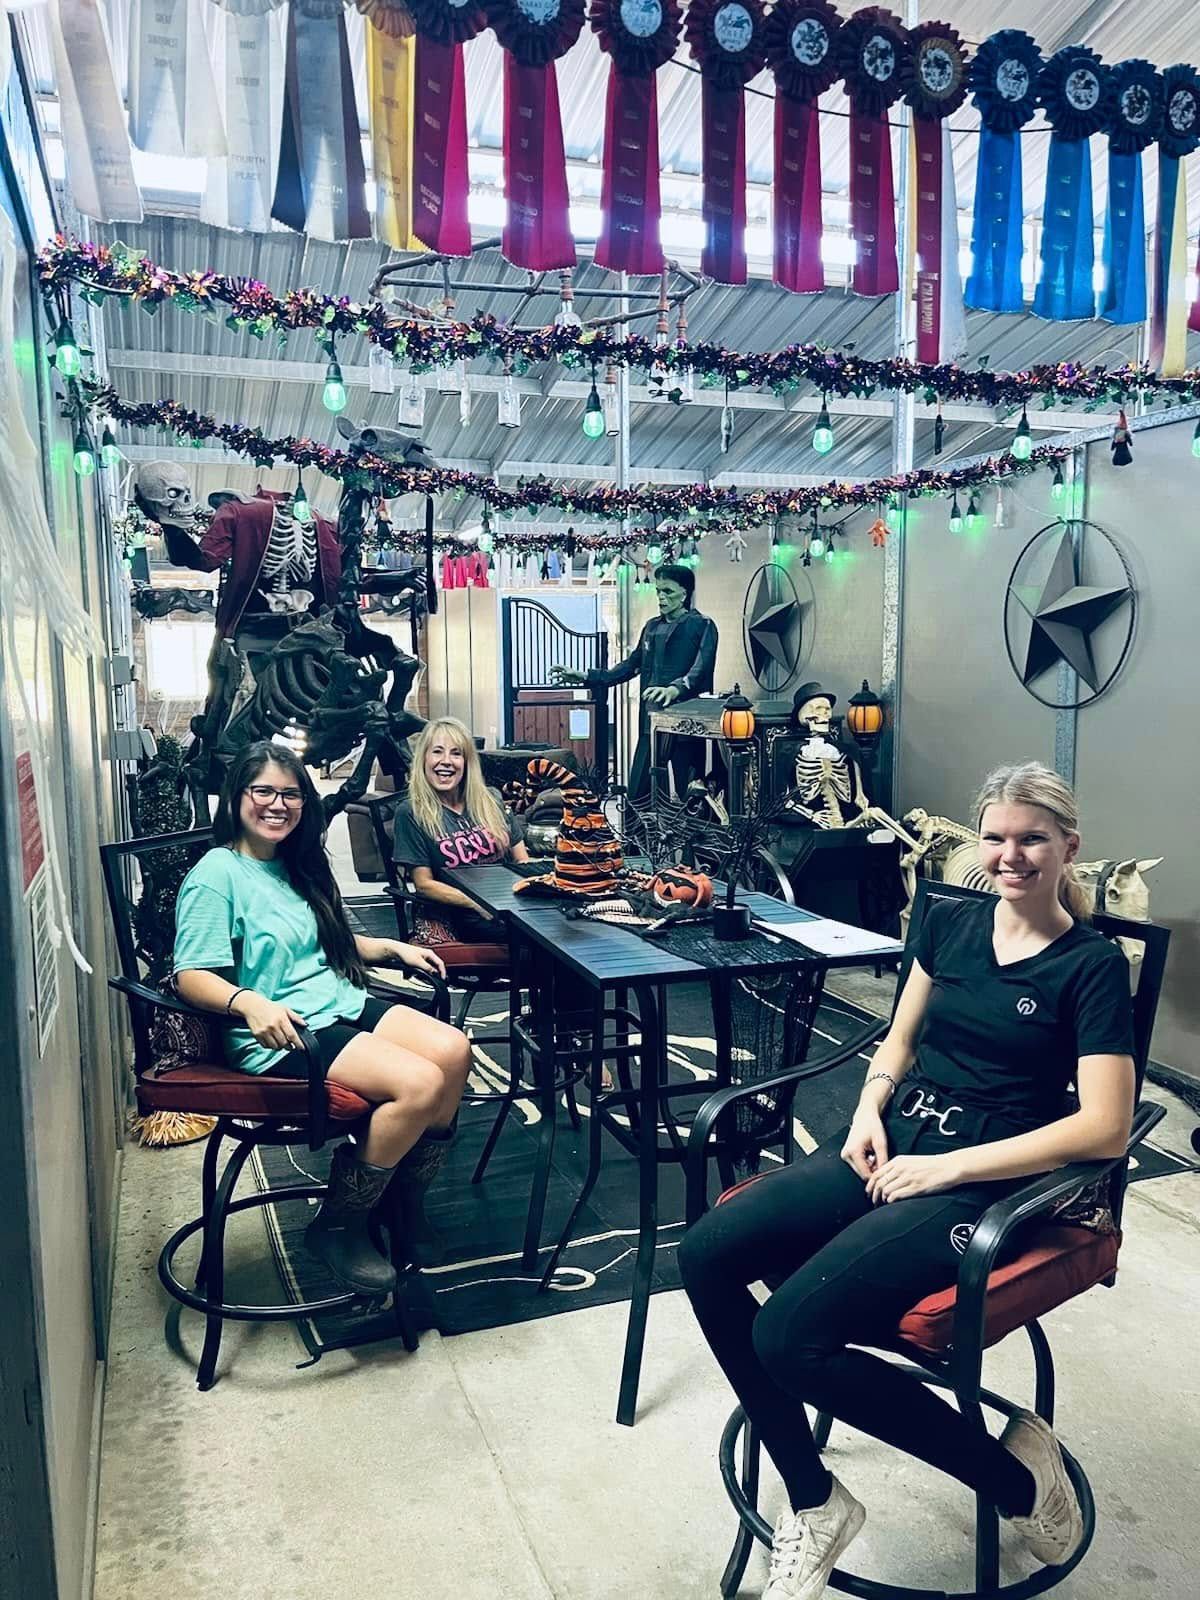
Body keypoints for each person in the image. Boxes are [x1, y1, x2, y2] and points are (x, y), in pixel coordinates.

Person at [678, 762, 1136, 1600]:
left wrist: (950, 1167)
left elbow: (1103, 1125)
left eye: (1033, 838)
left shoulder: (1091, 964)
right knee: (705, 1253)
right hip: (895, 1145)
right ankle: (815, 1502)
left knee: (787, 1336)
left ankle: (1021, 1488)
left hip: (986, 1182)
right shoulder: (951, 924)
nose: (1011, 855)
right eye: (996, 837)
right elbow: (898, 1037)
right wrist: (869, 1103)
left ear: (1069, 846)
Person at [173, 739, 472, 1298]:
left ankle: (404, 1203)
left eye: (290, 794)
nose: (277, 804)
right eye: (263, 791)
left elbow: (316, 942)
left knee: (453, 1051)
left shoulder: (292, 865)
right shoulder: (217, 874)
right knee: (419, 1083)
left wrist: (386, 947)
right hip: (283, 1032)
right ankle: (341, 1223)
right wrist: (248, 1002)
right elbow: (190, 974)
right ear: (237, 796)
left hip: (338, 1001)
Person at [551, 562, 718, 803]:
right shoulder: (652, 627)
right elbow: (630, 666)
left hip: (686, 724)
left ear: (685, 593)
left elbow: (701, 668)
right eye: (658, 590)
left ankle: (693, 839)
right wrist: (586, 676)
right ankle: (636, 840)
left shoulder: (702, 625)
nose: (661, 597)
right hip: (650, 722)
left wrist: (675, 688)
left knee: (691, 792)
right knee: (639, 792)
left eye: (668, 591)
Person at [391, 717, 531, 943]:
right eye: (437, 752)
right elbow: (424, 885)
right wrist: (477, 903)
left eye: (456, 753)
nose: (446, 761)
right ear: (424, 759)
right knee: (543, 946)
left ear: (467, 763)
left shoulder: (491, 800)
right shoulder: (410, 812)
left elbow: (522, 861)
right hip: (462, 914)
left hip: (511, 905)